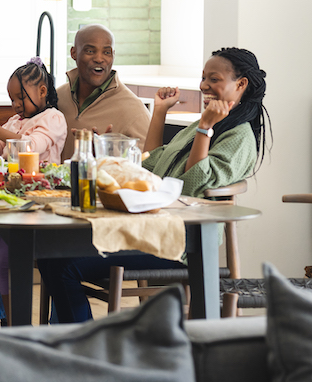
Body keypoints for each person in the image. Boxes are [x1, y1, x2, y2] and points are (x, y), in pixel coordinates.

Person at [37, 47, 272, 323]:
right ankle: (73, 340)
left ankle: (83, 344)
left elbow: (189, 183)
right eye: (203, 78)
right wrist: (159, 111)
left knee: (64, 266)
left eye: (214, 79)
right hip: (151, 228)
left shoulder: (239, 137)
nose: (204, 86)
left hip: (178, 242)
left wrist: (205, 128)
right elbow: (150, 166)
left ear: (240, 84)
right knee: (50, 255)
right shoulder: (204, 123)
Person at [0, 57, 68, 323]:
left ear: (42, 92)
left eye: (19, 98)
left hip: (39, 203)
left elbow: (30, 147)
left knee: (3, 261)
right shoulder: (15, 121)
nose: (15, 105)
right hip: (11, 200)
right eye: (11, 98)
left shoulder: (54, 119)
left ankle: (13, 323)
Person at [56, 24, 151, 161]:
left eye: (106, 52)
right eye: (90, 51)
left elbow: (150, 166)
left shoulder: (134, 110)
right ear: (73, 53)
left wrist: (107, 155)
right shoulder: (58, 98)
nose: (99, 59)